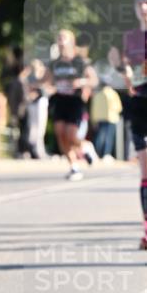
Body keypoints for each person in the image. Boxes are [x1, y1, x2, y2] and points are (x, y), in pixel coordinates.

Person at [114, 0, 147, 250]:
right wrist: (123, 71)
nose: (143, 8)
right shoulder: (130, 38)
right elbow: (131, 78)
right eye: (140, 4)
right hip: (141, 105)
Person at [46, 29, 98, 180]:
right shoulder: (54, 64)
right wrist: (38, 85)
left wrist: (81, 82)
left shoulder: (80, 61)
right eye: (59, 37)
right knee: (60, 133)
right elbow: (47, 80)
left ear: (71, 42)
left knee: (70, 134)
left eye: (64, 37)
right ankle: (74, 167)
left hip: (75, 101)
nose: (61, 40)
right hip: (60, 100)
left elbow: (93, 80)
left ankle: (86, 146)